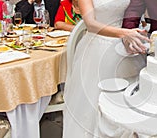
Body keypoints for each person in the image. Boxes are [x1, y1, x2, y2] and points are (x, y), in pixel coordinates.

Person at [63, 0, 150, 137]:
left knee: (126, 105)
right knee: (93, 106)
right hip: (97, 49)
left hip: (125, 48)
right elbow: (90, 24)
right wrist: (123, 33)